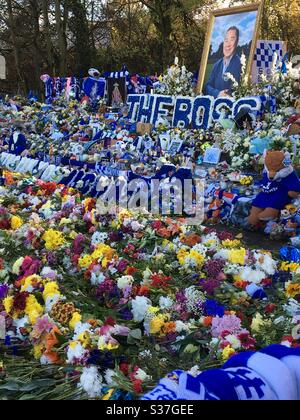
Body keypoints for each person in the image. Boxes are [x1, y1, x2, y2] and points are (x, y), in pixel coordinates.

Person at [204, 26, 242, 99]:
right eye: (226, 40)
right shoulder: (216, 65)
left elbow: (238, 91)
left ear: (237, 42)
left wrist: (226, 95)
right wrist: (217, 93)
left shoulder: (241, 64)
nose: (228, 45)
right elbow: (207, 86)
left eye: (232, 39)